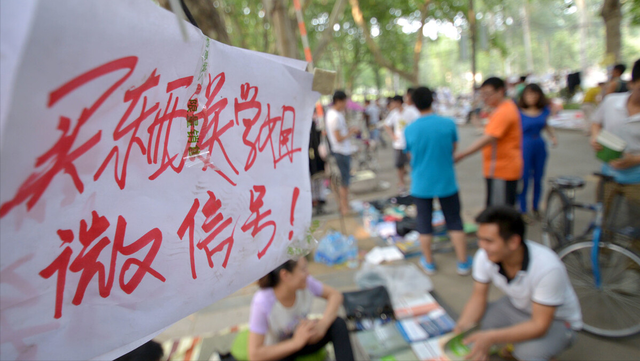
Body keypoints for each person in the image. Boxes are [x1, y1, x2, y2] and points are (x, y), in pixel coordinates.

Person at [454, 206, 582, 361]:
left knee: (528, 353)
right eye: (479, 238)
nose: (481, 246)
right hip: (517, 306)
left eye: (488, 241)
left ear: (514, 242)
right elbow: (478, 297)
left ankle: (540, 351)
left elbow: (540, 326)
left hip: (558, 320)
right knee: (478, 327)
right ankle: (515, 343)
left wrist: (491, 337)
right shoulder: (485, 255)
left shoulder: (548, 268)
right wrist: (460, 330)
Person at [404, 87, 472, 276]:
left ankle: (429, 262)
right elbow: (453, 148)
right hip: (446, 181)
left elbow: (410, 155)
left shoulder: (410, 129)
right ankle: (463, 262)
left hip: (421, 183)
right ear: (433, 100)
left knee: (424, 224)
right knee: (454, 221)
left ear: (413, 103)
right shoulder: (448, 124)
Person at [248, 257, 353, 361]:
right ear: (285, 275)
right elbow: (255, 355)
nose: (308, 274)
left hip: (303, 337)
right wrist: (295, 343)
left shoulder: (306, 283)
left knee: (338, 324)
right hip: (279, 350)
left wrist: (323, 325)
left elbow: (335, 295)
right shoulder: (262, 301)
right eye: (303, 269)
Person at [455, 77, 523, 207]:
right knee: (498, 208)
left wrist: (462, 154)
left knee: (499, 211)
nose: (484, 98)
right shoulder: (499, 109)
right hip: (498, 169)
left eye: (487, 94)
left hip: (502, 170)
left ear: (501, 91)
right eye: (482, 94)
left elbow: (489, 138)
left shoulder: (504, 111)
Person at [590, 58, 640, 215]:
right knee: (603, 219)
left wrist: (634, 160)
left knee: (635, 227)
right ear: (631, 83)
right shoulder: (611, 102)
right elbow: (596, 122)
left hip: (637, 180)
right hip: (608, 175)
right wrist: (595, 137)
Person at [517, 84, 558, 220]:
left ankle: (536, 206)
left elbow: (546, 124)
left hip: (539, 144)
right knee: (524, 178)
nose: (532, 97)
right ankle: (523, 209)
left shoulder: (544, 110)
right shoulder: (518, 111)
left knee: (538, 178)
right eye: (529, 94)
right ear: (523, 96)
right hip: (524, 145)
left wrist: (552, 136)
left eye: (535, 94)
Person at [325, 90, 358, 215]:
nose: (345, 105)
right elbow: (338, 138)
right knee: (345, 182)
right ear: (339, 101)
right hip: (341, 152)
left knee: (343, 181)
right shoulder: (335, 116)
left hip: (341, 151)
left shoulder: (332, 114)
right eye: (345, 102)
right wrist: (351, 133)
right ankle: (345, 208)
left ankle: (344, 206)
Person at [384, 94, 419, 193]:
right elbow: (386, 125)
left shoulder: (410, 111)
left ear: (398, 102)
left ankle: (415, 184)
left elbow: (417, 122)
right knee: (399, 166)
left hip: (410, 144)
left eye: (393, 103)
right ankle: (402, 184)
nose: (392, 105)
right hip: (398, 144)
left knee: (413, 164)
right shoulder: (394, 114)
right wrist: (392, 136)